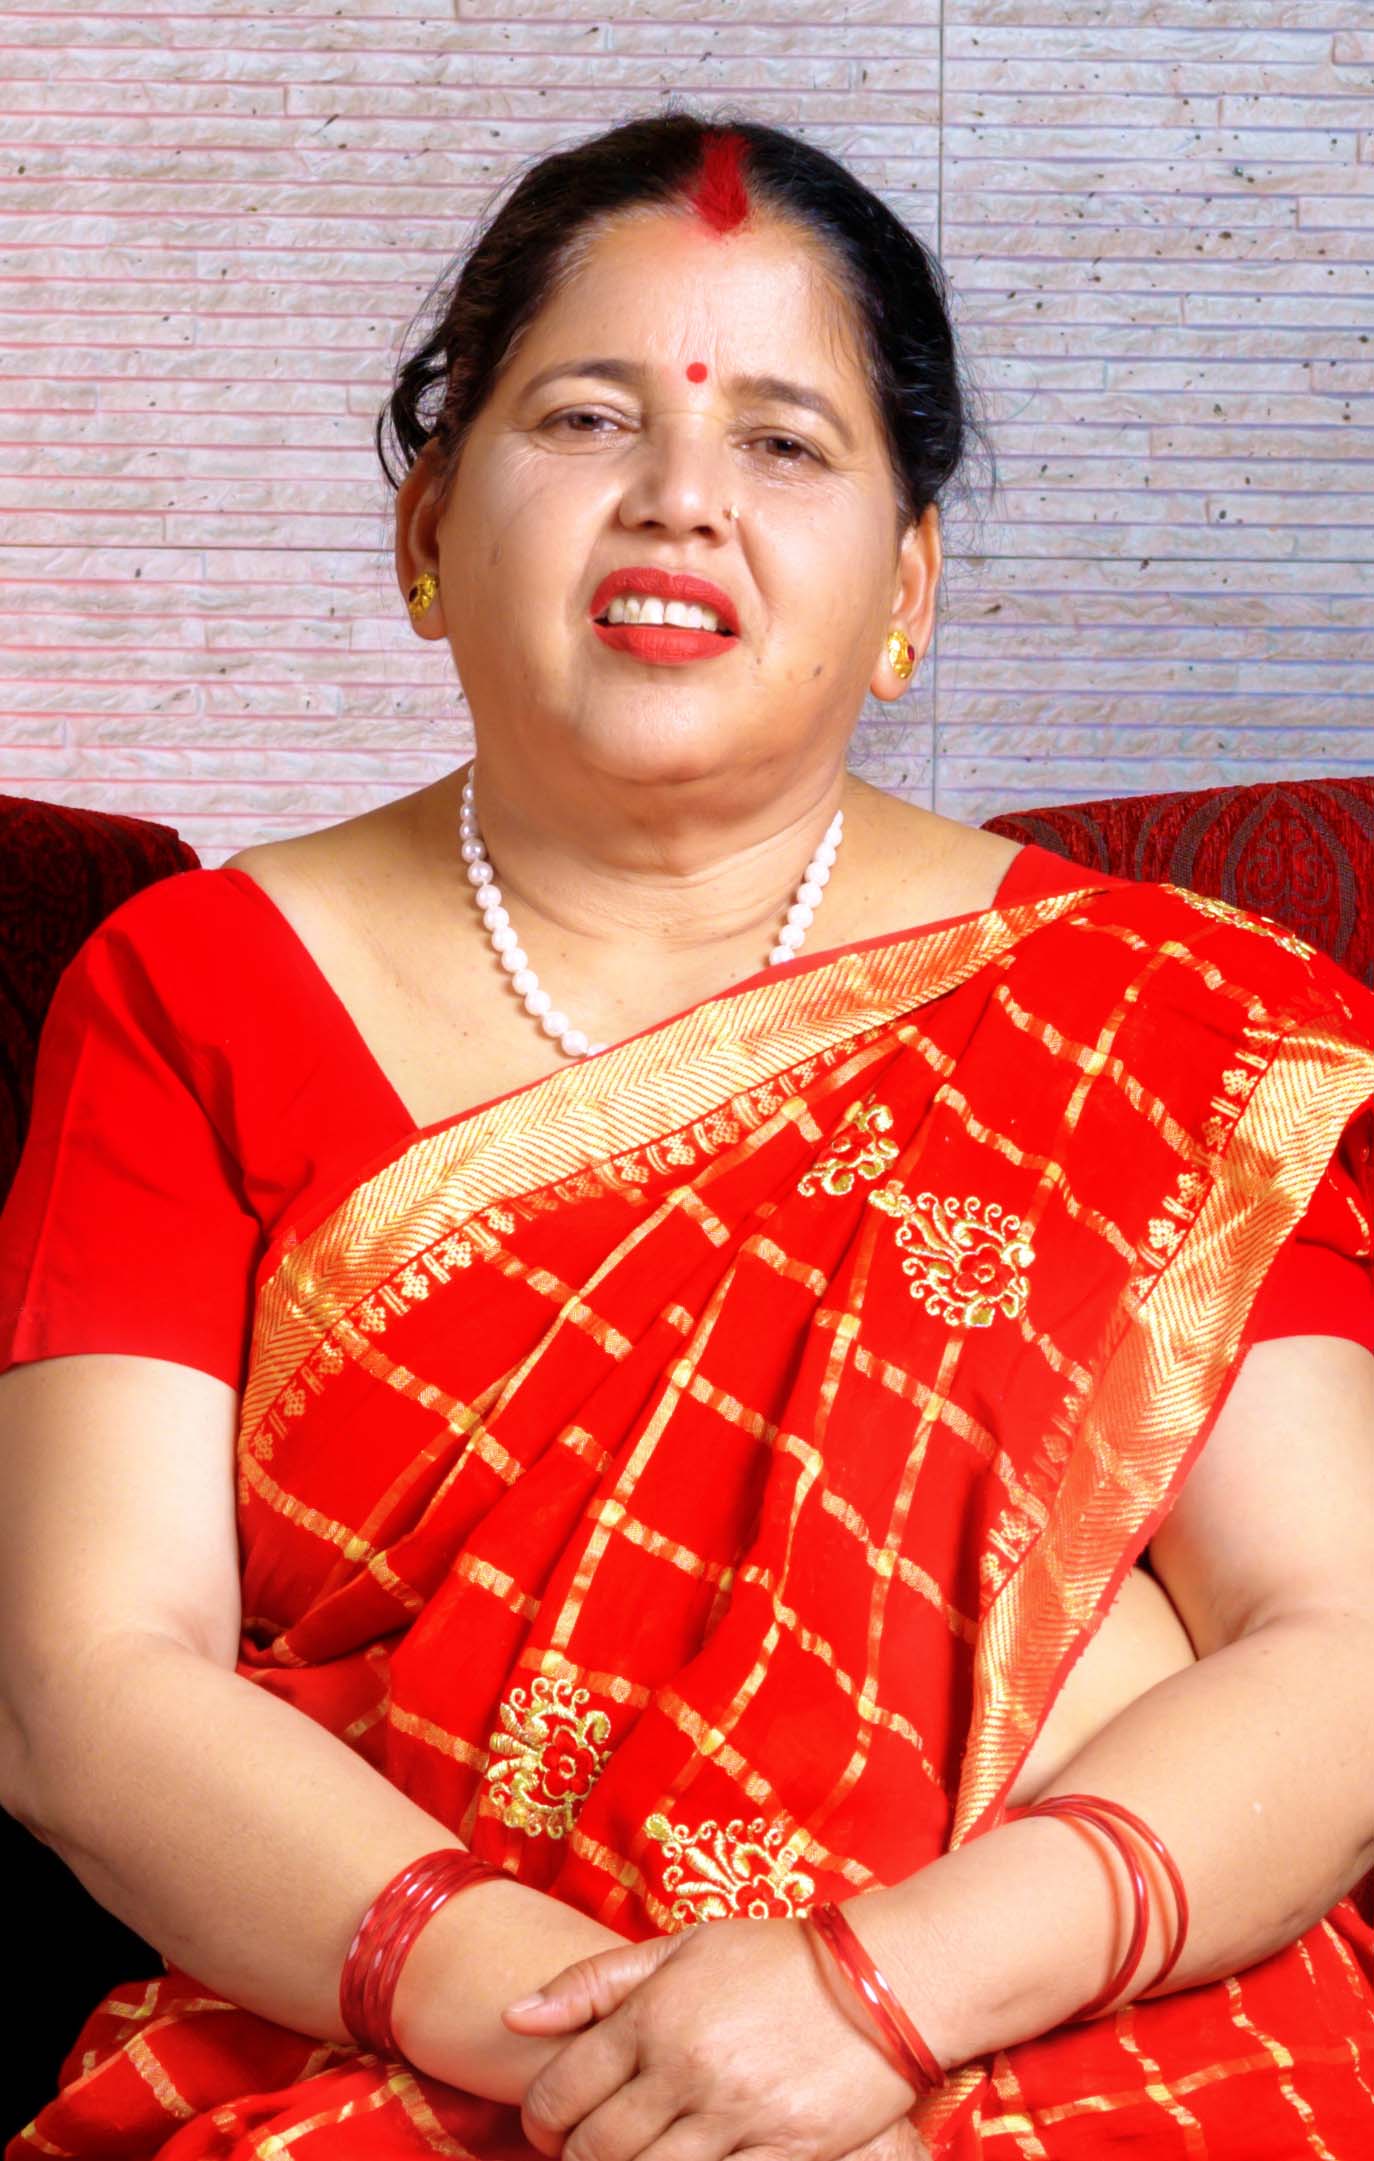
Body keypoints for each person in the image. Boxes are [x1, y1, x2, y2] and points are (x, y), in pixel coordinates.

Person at [1, 107, 1373, 2161]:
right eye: (584, 418)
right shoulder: (195, 990)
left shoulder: (1168, 1026)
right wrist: (633, 2074)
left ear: (906, 587)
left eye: (785, 444)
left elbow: (1338, 1641)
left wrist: (867, 2007)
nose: (679, 498)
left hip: (1090, 2032)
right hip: (433, 2051)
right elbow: (88, 1682)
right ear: (427, 523)